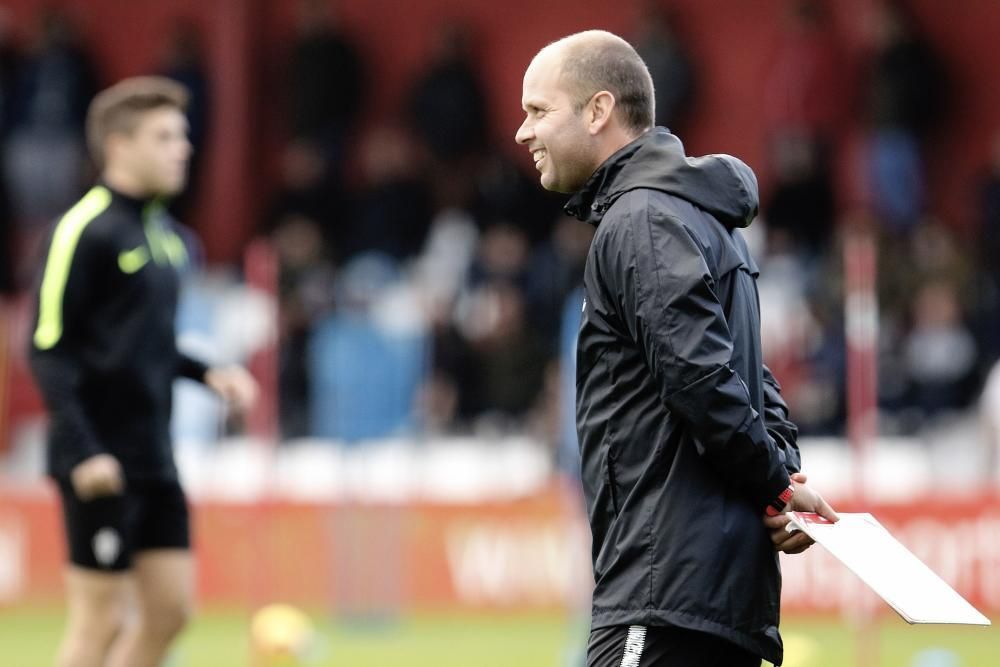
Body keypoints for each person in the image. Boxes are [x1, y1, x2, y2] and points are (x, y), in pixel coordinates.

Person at [514, 31, 838, 666]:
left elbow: (702, 378)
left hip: (663, 596)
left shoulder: (640, 220)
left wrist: (774, 485)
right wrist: (780, 478)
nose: (523, 132)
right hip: (709, 600)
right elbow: (752, 378)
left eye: (538, 111)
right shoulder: (697, 220)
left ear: (599, 110)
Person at [28, 77, 257, 667]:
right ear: (120, 145)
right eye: (165, 136)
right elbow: (46, 348)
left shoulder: (170, 241)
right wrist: (83, 451)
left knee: (171, 613)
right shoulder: (82, 230)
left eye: (182, 135)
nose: (183, 147)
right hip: (98, 456)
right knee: (99, 623)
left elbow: (149, 347)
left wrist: (210, 373)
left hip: (154, 452)